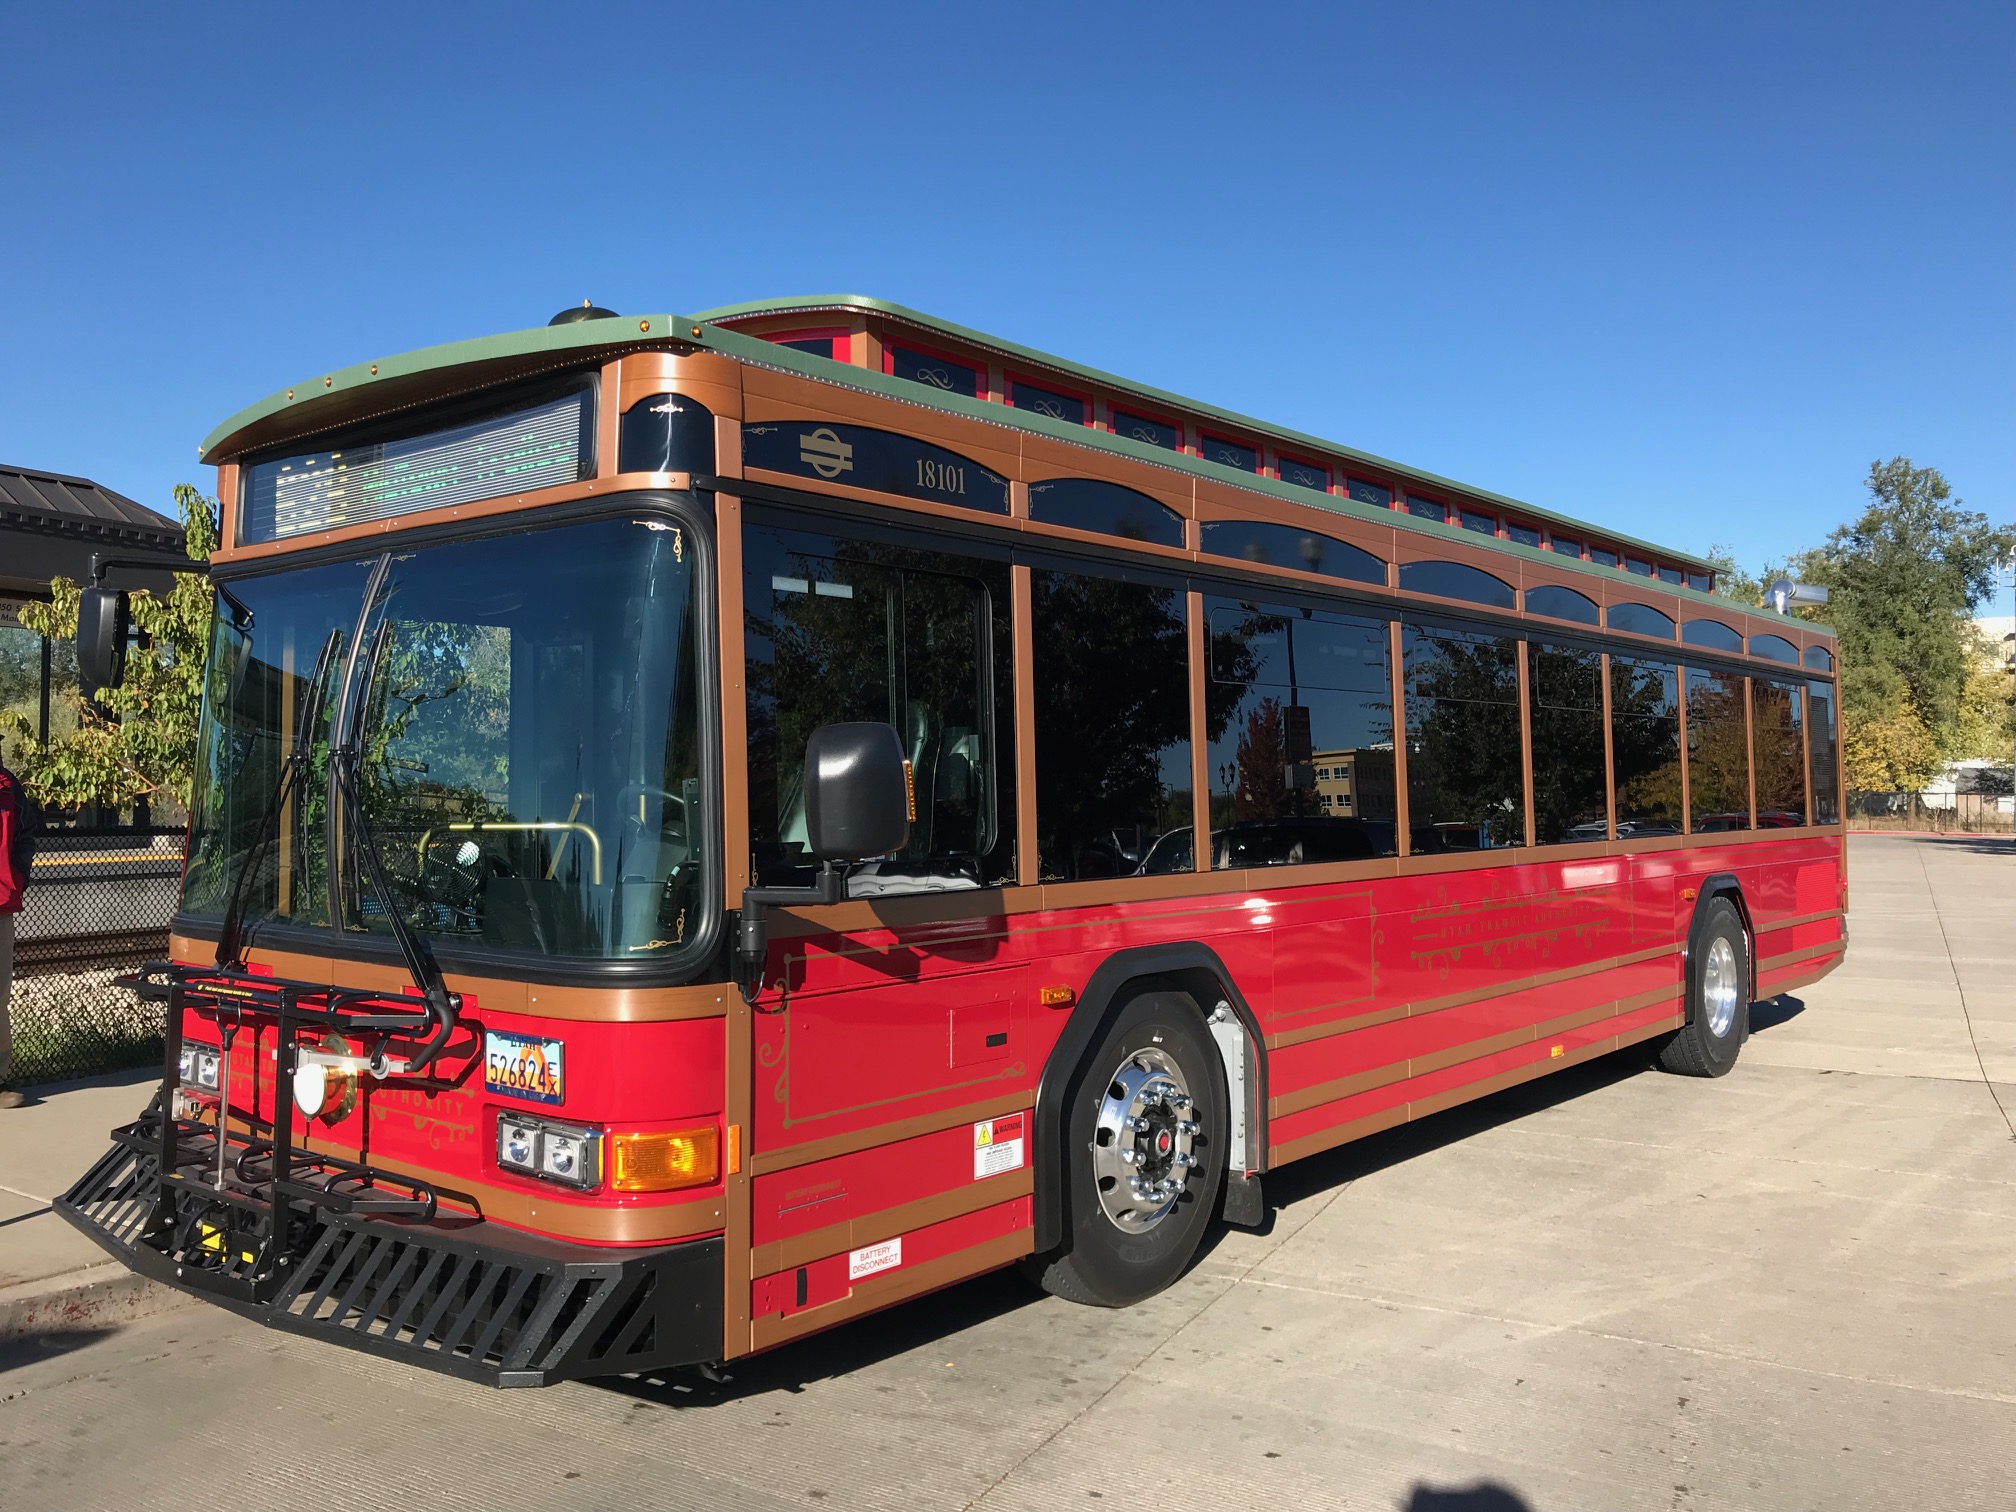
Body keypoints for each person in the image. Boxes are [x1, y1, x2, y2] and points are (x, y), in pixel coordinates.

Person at [0, 751, 34, 1109]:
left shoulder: (8, 784)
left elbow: (26, 834)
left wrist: (18, 878)